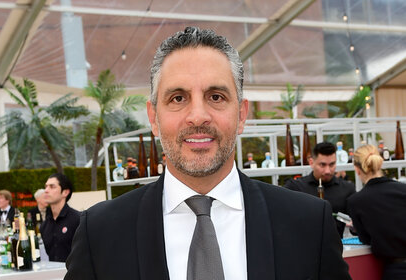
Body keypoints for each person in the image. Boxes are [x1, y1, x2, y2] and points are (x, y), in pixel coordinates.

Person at [65, 27, 350, 280]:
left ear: (241, 114)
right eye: (178, 98)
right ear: (153, 118)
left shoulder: (308, 223)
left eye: (216, 97)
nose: (198, 116)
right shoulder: (100, 233)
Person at [347, 144, 406, 280]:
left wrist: (356, 227)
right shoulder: (403, 189)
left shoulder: (356, 201)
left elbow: (366, 239)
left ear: (357, 169)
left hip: (397, 271)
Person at [284, 142, 356, 238]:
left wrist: (354, 226)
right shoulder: (295, 187)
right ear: (311, 162)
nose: (327, 171)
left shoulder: (347, 188)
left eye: (332, 164)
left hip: (336, 248)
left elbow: (357, 227)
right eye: (322, 165)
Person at [41, 173, 79, 262]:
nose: (46, 190)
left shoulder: (78, 220)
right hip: (54, 274)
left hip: (76, 274)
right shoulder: (44, 226)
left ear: (65, 192)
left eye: (52, 187)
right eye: (46, 186)